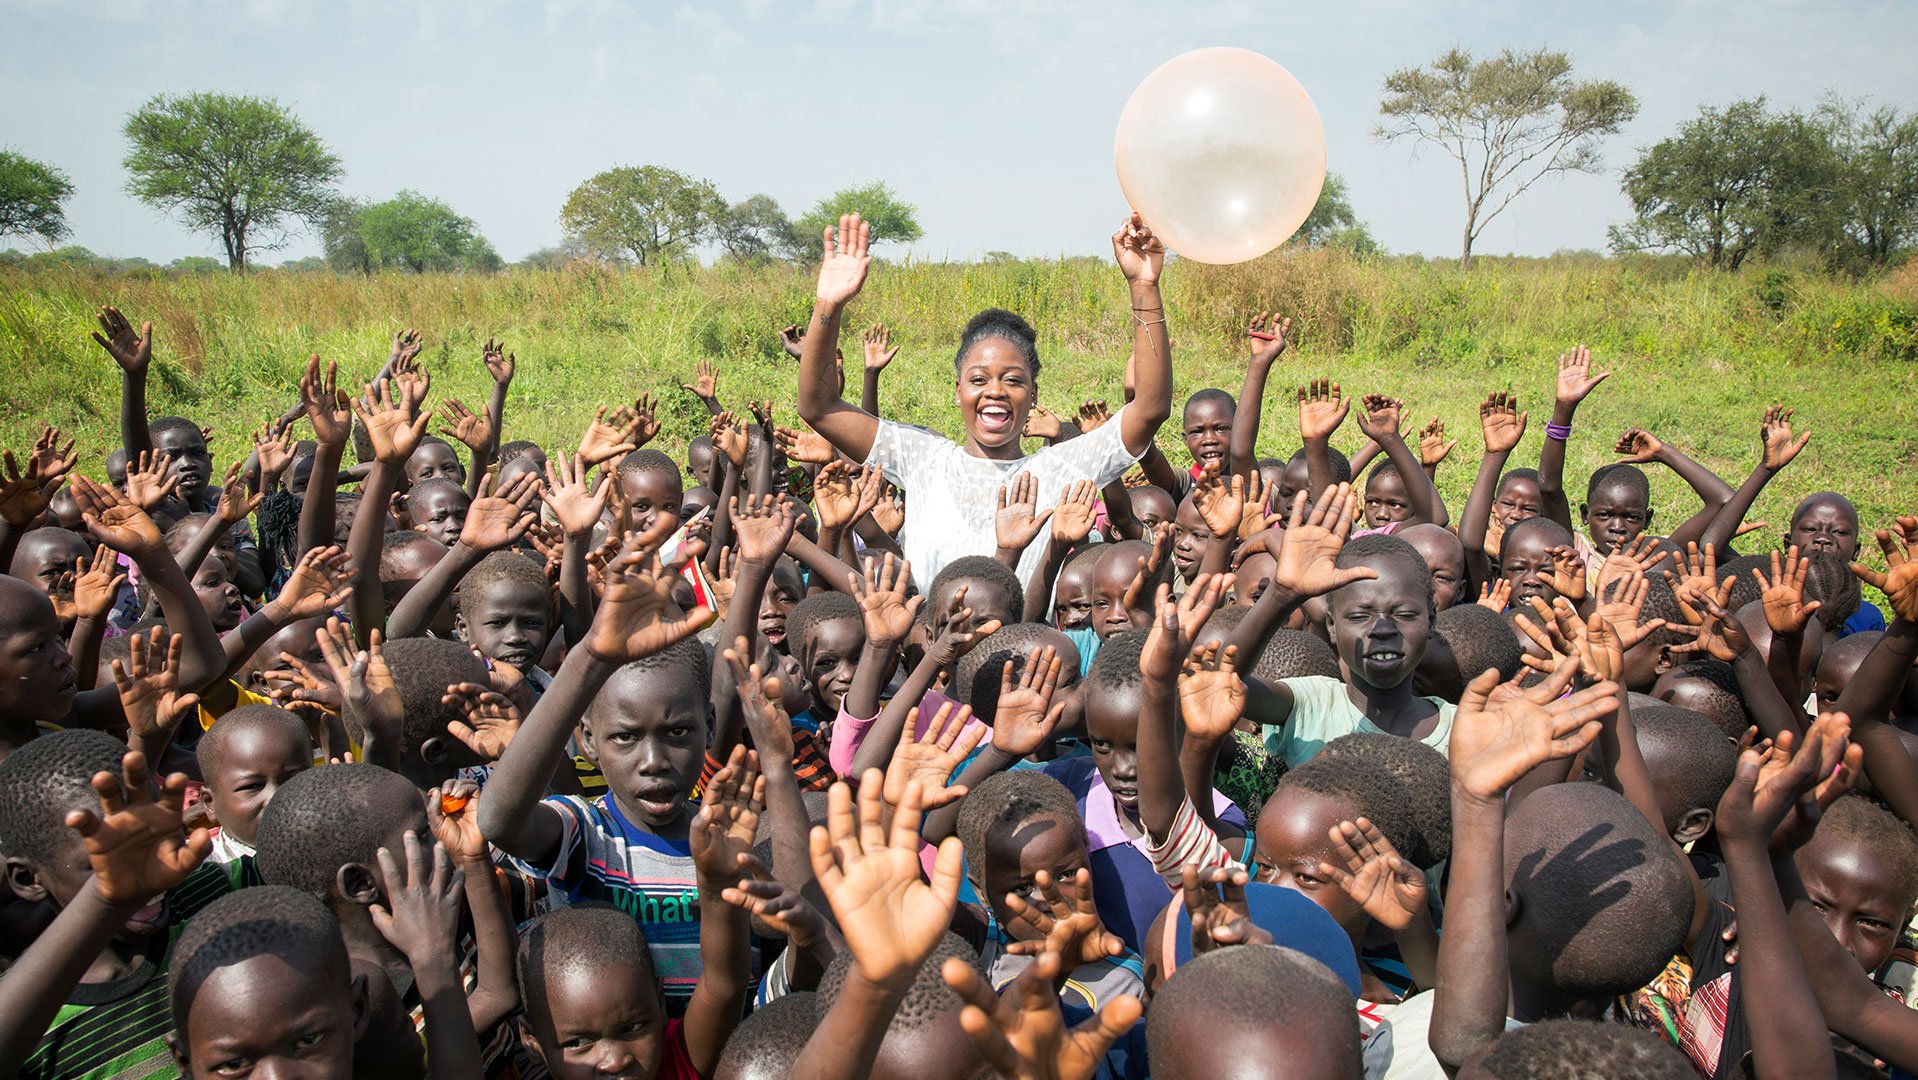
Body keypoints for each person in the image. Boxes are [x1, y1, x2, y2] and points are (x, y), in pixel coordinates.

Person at [793, 212, 1175, 591]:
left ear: (1034, 395)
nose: (995, 391)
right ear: (958, 391)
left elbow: (1150, 410)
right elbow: (819, 407)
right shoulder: (923, 457)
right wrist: (828, 305)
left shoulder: (1061, 467)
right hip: (923, 651)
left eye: (1013, 380)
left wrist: (1144, 286)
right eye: (979, 379)